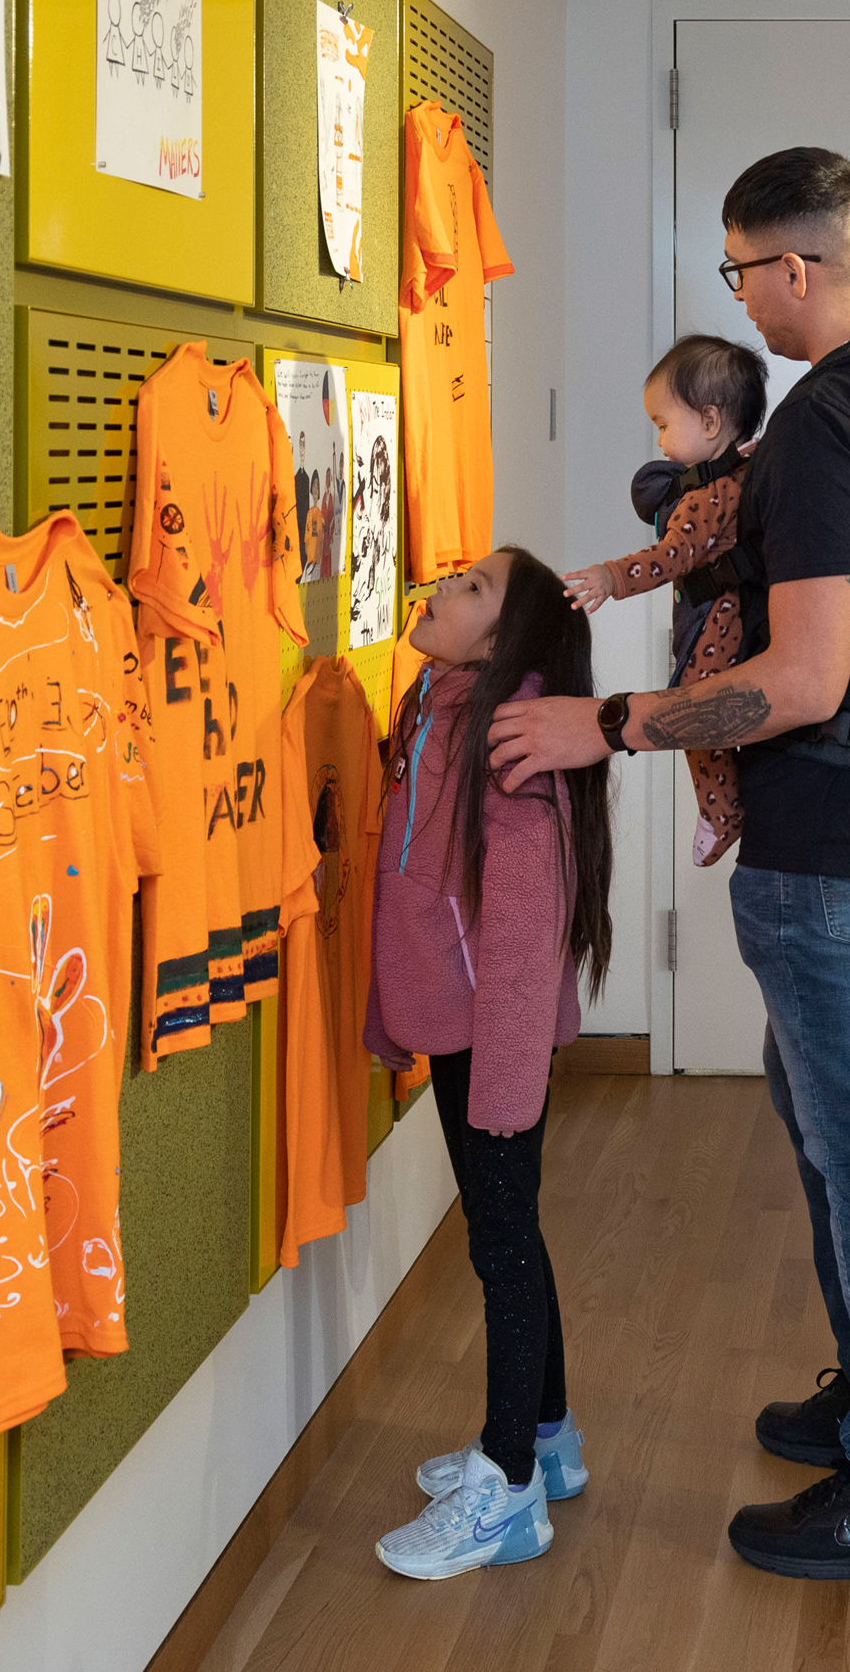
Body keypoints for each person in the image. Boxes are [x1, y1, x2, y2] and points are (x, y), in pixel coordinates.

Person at [485, 146, 850, 1585]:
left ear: (794, 269)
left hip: (840, 841)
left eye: (740, 271)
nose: (738, 297)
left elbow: (794, 685)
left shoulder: (816, 427)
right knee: (835, 1124)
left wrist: (601, 721)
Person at [362, 546, 615, 1581]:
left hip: (490, 1039)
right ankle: (547, 1443)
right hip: (459, 1026)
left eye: (471, 590)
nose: (440, 592)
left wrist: (507, 1084)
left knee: (500, 1252)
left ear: (507, 641)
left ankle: (505, 1490)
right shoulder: (438, 703)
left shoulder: (504, 742)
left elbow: (517, 936)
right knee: (508, 1232)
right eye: (453, 577)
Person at [562, 334, 770, 866]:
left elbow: (671, 557)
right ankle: (727, 801)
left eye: (663, 425)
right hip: (737, 617)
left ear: (709, 422)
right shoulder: (748, 471)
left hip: (718, 621)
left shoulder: (706, 496)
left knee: (694, 713)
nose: (659, 442)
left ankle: (721, 811)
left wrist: (612, 578)